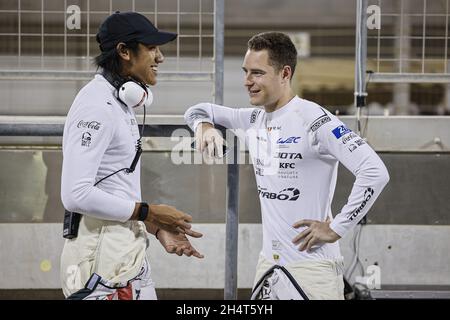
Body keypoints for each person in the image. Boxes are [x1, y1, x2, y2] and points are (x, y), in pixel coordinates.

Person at [184, 32, 389, 300]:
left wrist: (337, 228)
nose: (247, 81)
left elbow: (375, 172)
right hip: (269, 266)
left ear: (285, 74)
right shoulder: (254, 117)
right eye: (246, 72)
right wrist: (204, 127)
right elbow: (197, 109)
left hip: (311, 270)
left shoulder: (314, 119)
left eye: (257, 73)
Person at [60, 11, 203, 300]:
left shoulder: (118, 102)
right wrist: (149, 211)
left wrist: (153, 225)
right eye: (151, 48)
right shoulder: (96, 106)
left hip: (123, 254)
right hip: (100, 263)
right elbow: (75, 195)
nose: (160, 57)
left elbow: (113, 189)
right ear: (124, 51)